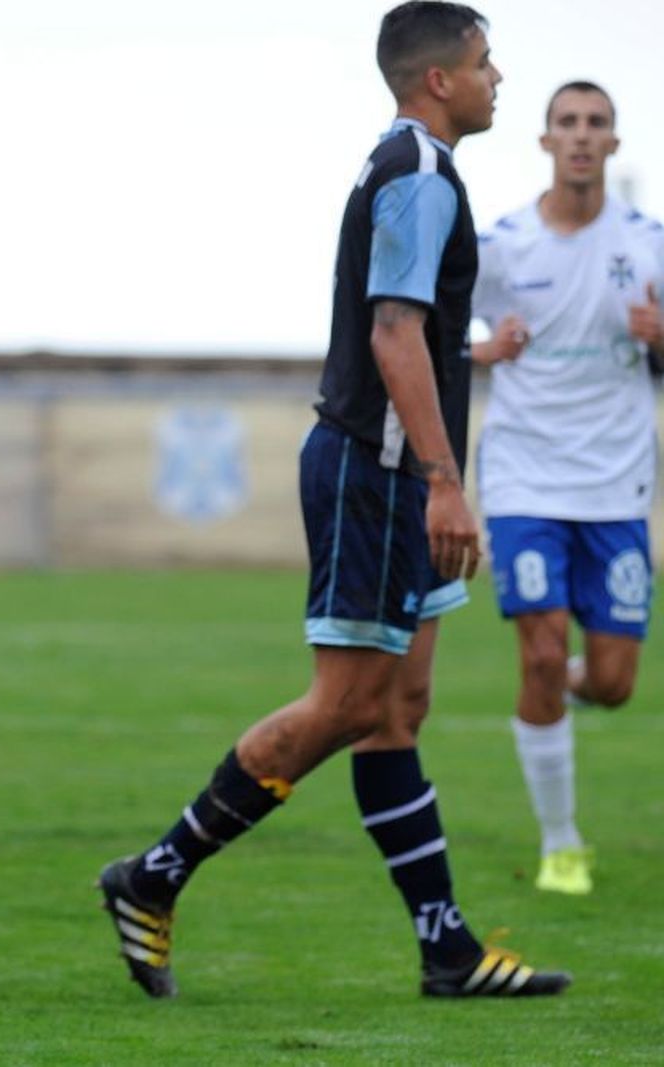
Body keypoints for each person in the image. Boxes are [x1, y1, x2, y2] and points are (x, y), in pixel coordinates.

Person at [98, 2, 571, 1000]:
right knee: (349, 701)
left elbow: (415, 332)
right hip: (379, 471)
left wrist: (469, 362)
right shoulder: (420, 173)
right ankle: (152, 873)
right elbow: (391, 332)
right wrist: (446, 481)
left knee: (397, 709)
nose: (497, 80)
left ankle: (446, 949)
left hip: (396, 470)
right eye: (486, 63)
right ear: (437, 79)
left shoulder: (410, 168)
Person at [470, 81, 662, 896]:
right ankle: (561, 843)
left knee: (614, 685)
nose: (582, 137)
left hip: (616, 483)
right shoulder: (503, 245)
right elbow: (441, 326)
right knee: (542, 650)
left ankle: (553, 692)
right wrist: (487, 347)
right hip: (524, 475)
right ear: (545, 142)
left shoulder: (649, 243)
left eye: (597, 125)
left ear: (614, 145)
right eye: (567, 124)